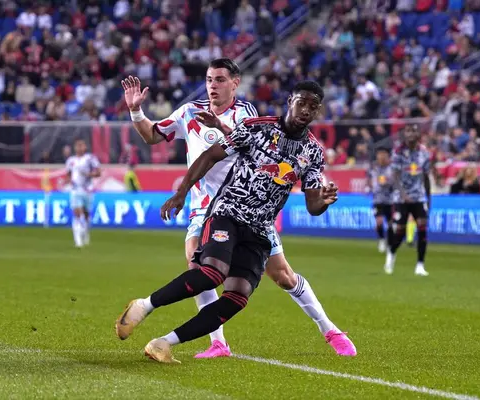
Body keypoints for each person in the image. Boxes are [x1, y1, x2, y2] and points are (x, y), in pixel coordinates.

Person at [116, 59, 355, 358]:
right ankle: (212, 340)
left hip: (260, 219)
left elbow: (249, 145)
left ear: (235, 82)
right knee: (203, 268)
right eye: (209, 79)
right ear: (290, 102)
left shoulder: (252, 116)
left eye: (219, 79)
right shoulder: (191, 111)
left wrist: (323, 198)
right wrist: (136, 111)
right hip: (218, 205)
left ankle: (329, 329)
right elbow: (164, 139)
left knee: (278, 278)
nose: (212, 85)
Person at [385, 125, 431, 276]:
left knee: (423, 229)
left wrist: (428, 198)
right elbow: (395, 176)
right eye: (409, 131)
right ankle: (391, 253)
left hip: (418, 196)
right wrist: (403, 194)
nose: (411, 133)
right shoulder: (398, 152)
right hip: (401, 198)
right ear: (404, 134)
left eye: (414, 131)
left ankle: (420, 265)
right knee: (400, 231)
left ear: (419, 134)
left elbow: (426, 176)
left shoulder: (424, 153)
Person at [64, 139, 101, 248]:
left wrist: (89, 174)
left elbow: (98, 172)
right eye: (78, 146)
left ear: (85, 147)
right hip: (76, 190)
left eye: (82, 146)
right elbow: (68, 174)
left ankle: (85, 232)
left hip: (87, 190)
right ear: (75, 148)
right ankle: (78, 240)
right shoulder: (71, 161)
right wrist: (68, 181)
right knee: (77, 213)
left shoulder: (90, 159)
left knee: (86, 215)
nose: (80, 148)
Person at [368, 147, 394, 253]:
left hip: (390, 199)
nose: (381, 157)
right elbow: (370, 180)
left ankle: (390, 242)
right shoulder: (374, 168)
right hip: (377, 199)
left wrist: (388, 183)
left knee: (391, 223)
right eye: (380, 154)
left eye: (384, 154)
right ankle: (382, 240)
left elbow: (395, 182)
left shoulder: (392, 168)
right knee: (379, 221)